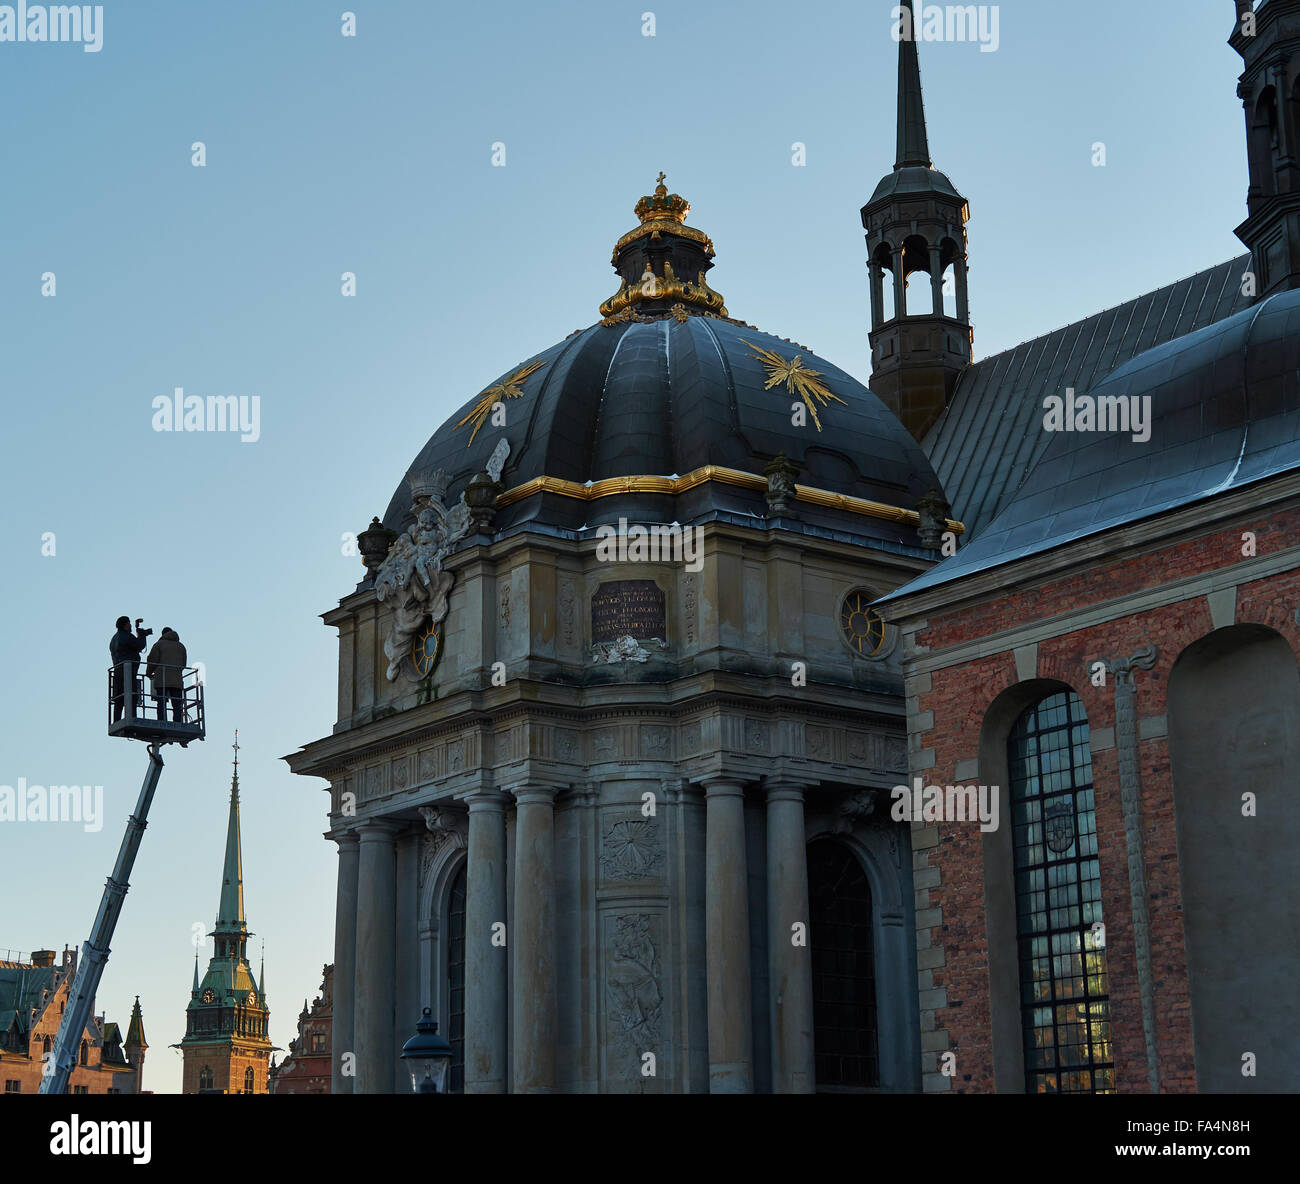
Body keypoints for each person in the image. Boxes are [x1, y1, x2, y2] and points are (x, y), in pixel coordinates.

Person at [109, 616, 149, 722]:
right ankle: (133, 718)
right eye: (129, 623)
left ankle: (116, 720)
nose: (130, 625)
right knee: (132, 695)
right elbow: (139, 645)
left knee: (119, 697)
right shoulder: (126, 636)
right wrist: (142, 635)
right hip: (128, 671)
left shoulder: (114, 638)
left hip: (117, 670)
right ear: (125, 625)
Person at [145, 627, 188, 723]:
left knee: (162, 702)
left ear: (163, 634)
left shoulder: (159, 645)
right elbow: (183, 664)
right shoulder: (181, 646)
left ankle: (162, 720)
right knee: (177, 704)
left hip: (162, 679)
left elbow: (152, 660)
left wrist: (148, 673)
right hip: (177, 679)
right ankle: (178, 722)